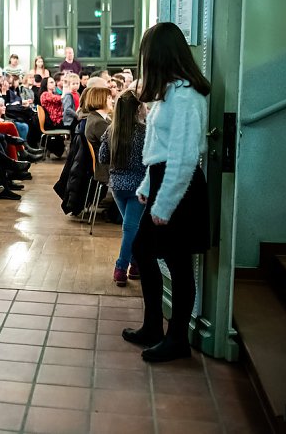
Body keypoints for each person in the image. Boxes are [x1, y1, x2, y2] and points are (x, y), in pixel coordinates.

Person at [122, 22, 211, 363]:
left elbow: (185, 156)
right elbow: (160, 149)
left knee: (177, 262)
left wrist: (165, 202)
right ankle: (152, 327)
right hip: (163, 181)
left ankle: (177, 339)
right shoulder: (171, 91)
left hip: (179, 187)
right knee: (144, 250)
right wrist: (147, 185)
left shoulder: (187, 94)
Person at [99, 91, 147, 287]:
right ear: (137, 109)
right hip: (139, 186)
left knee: (131, 228)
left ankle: (135, 265)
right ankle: (121, 267)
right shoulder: (145, 132)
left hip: (117, 186)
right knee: (131, 228)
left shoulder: (111, 131)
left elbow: (103, 158)